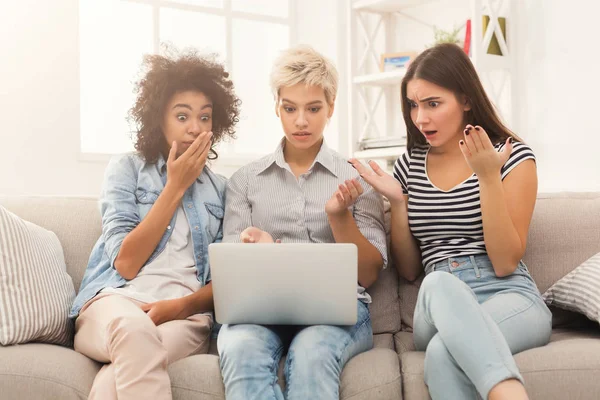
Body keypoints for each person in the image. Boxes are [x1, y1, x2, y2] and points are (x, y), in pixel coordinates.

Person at [350, 43, 552, 400]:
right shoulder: (409, 164)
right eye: (413, 105)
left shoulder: (511, 156)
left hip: (509, 295)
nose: (420, 119)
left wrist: (489, 177)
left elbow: (505, 262)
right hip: (437, 302)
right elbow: (412, 272)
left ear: (466, 100)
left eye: (432, 104)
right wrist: (398, 202)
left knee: (444, 354)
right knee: (439, 282)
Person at [216, 45, 387, 400]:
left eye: (313, 109)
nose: (301, 121)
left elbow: (369, 273)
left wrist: (338, 216)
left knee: (312, 353)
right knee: (240, 348)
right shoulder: (245, 180)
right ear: (276, 106)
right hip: (260, 311)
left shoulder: (357, 177)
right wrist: (260, 250)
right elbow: (230, 274)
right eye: (290, 108)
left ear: (331, 107)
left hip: (337, 313)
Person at [69, 49, 241, 400]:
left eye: (205, 118)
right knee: (133, 333)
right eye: (182, 116)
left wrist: (178, 308)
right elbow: (126, 263)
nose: (196, 128)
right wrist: (175, 187)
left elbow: (228, 281)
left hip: (183, 318)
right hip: (115, 303)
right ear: (158, 119)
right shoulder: (127, 169)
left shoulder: (223, 190)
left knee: (115, 379)